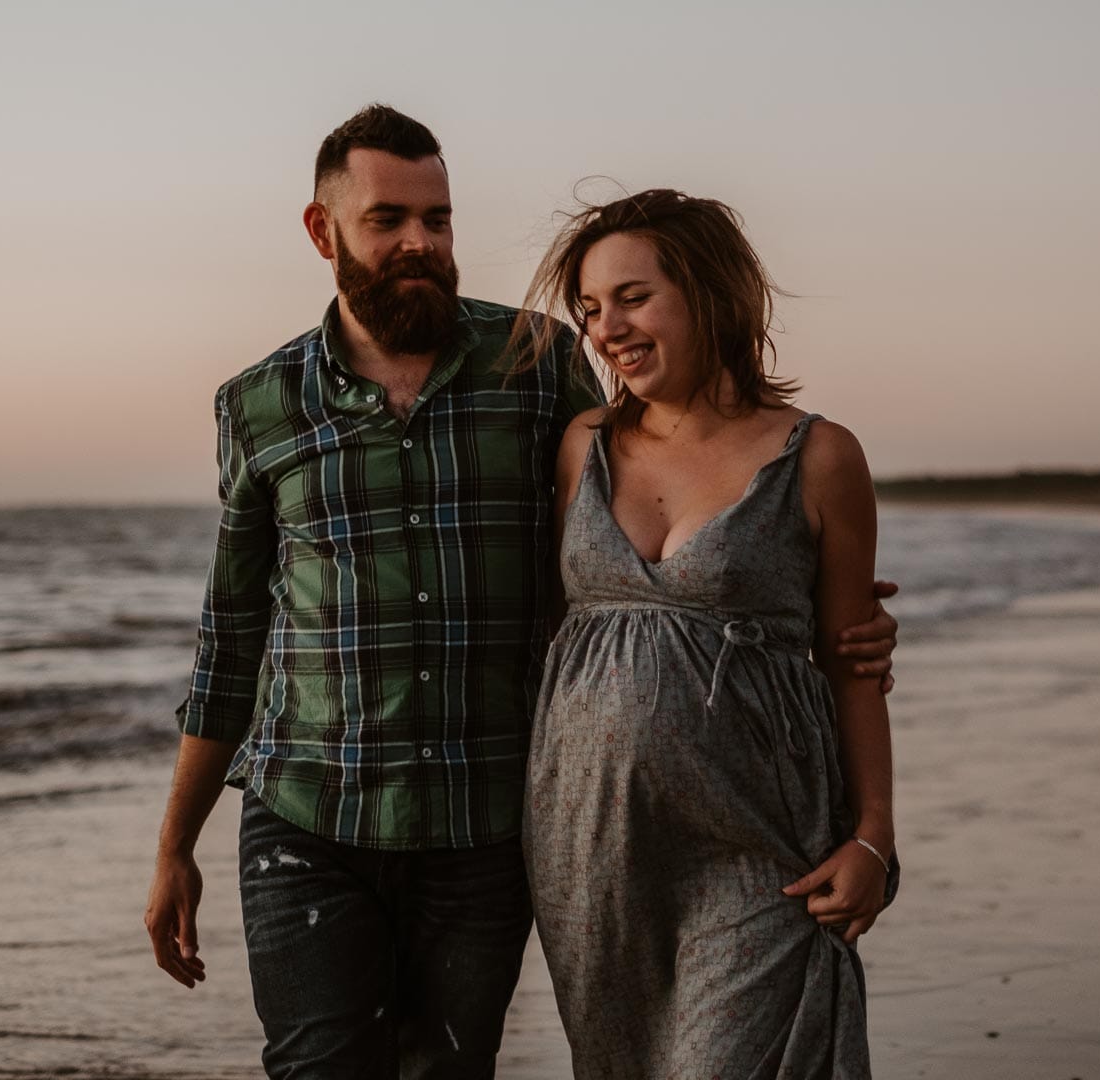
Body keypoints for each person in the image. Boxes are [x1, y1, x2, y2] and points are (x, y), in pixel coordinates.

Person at [142, 105, 902, 1080]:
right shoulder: (257, 403)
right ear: (322, 230)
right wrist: (175, 842)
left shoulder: (538, 365)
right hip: (328, 814)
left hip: (495, 818)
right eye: (389, 219)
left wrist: (823, 608)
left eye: (439, 217)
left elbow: (669, 542)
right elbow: (232, 630)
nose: (421, 240)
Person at [513, 189, 897, 1079]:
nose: (607, 327)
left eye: (633, 297)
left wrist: (874, 834)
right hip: (589, 843)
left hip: (759, 844)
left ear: (712, 291)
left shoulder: (821, 456)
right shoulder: (581, 444)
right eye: (591, 308)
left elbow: (852, 663)